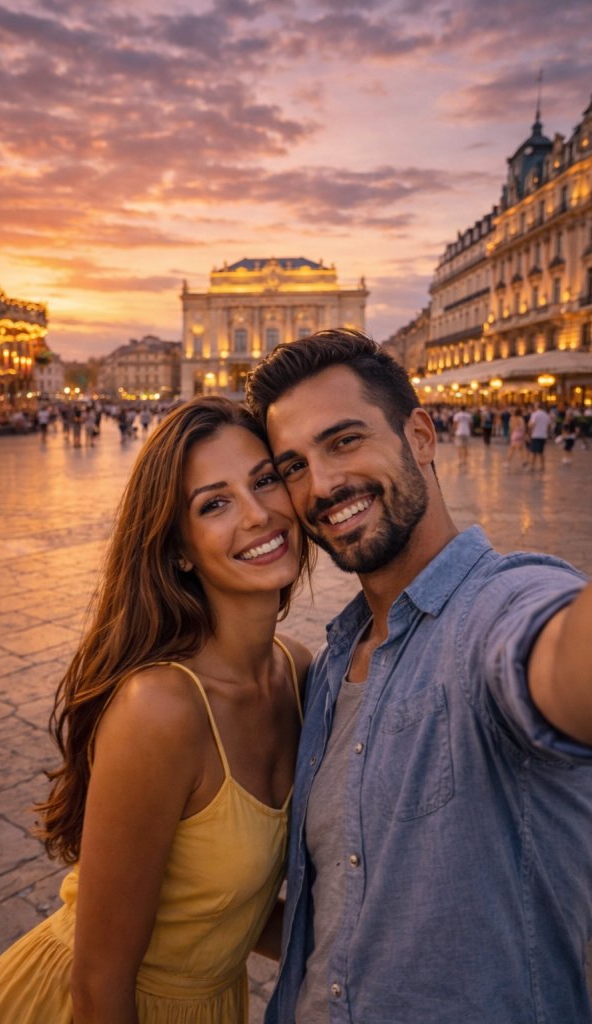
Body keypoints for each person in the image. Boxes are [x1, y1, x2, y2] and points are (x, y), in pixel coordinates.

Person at [245, 329, 592, 1024]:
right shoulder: (329, 666)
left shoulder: (499, 609)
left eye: (344, 441)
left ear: (423, 435)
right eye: (293, 466)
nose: (322, 485)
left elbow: (553, 657)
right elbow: (344, 919)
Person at [0, 396, 312, 1024]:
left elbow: (228, 910)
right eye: (214, 503)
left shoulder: (299, 671)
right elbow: (97, 988)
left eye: (265, 479)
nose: (257, 514)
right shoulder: (163, 709)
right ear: (178, 549)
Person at [527, 401, 550, 471]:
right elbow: (549, 426)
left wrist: (528, 432)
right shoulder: (546, 414)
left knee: (533, 451)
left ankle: (531, 466)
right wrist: (547, 434)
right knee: (541, 451)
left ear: (536, 406)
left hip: (535, 435)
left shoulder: (535, 414)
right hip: (543, 435)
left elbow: (532, 424)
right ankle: (542, 466)